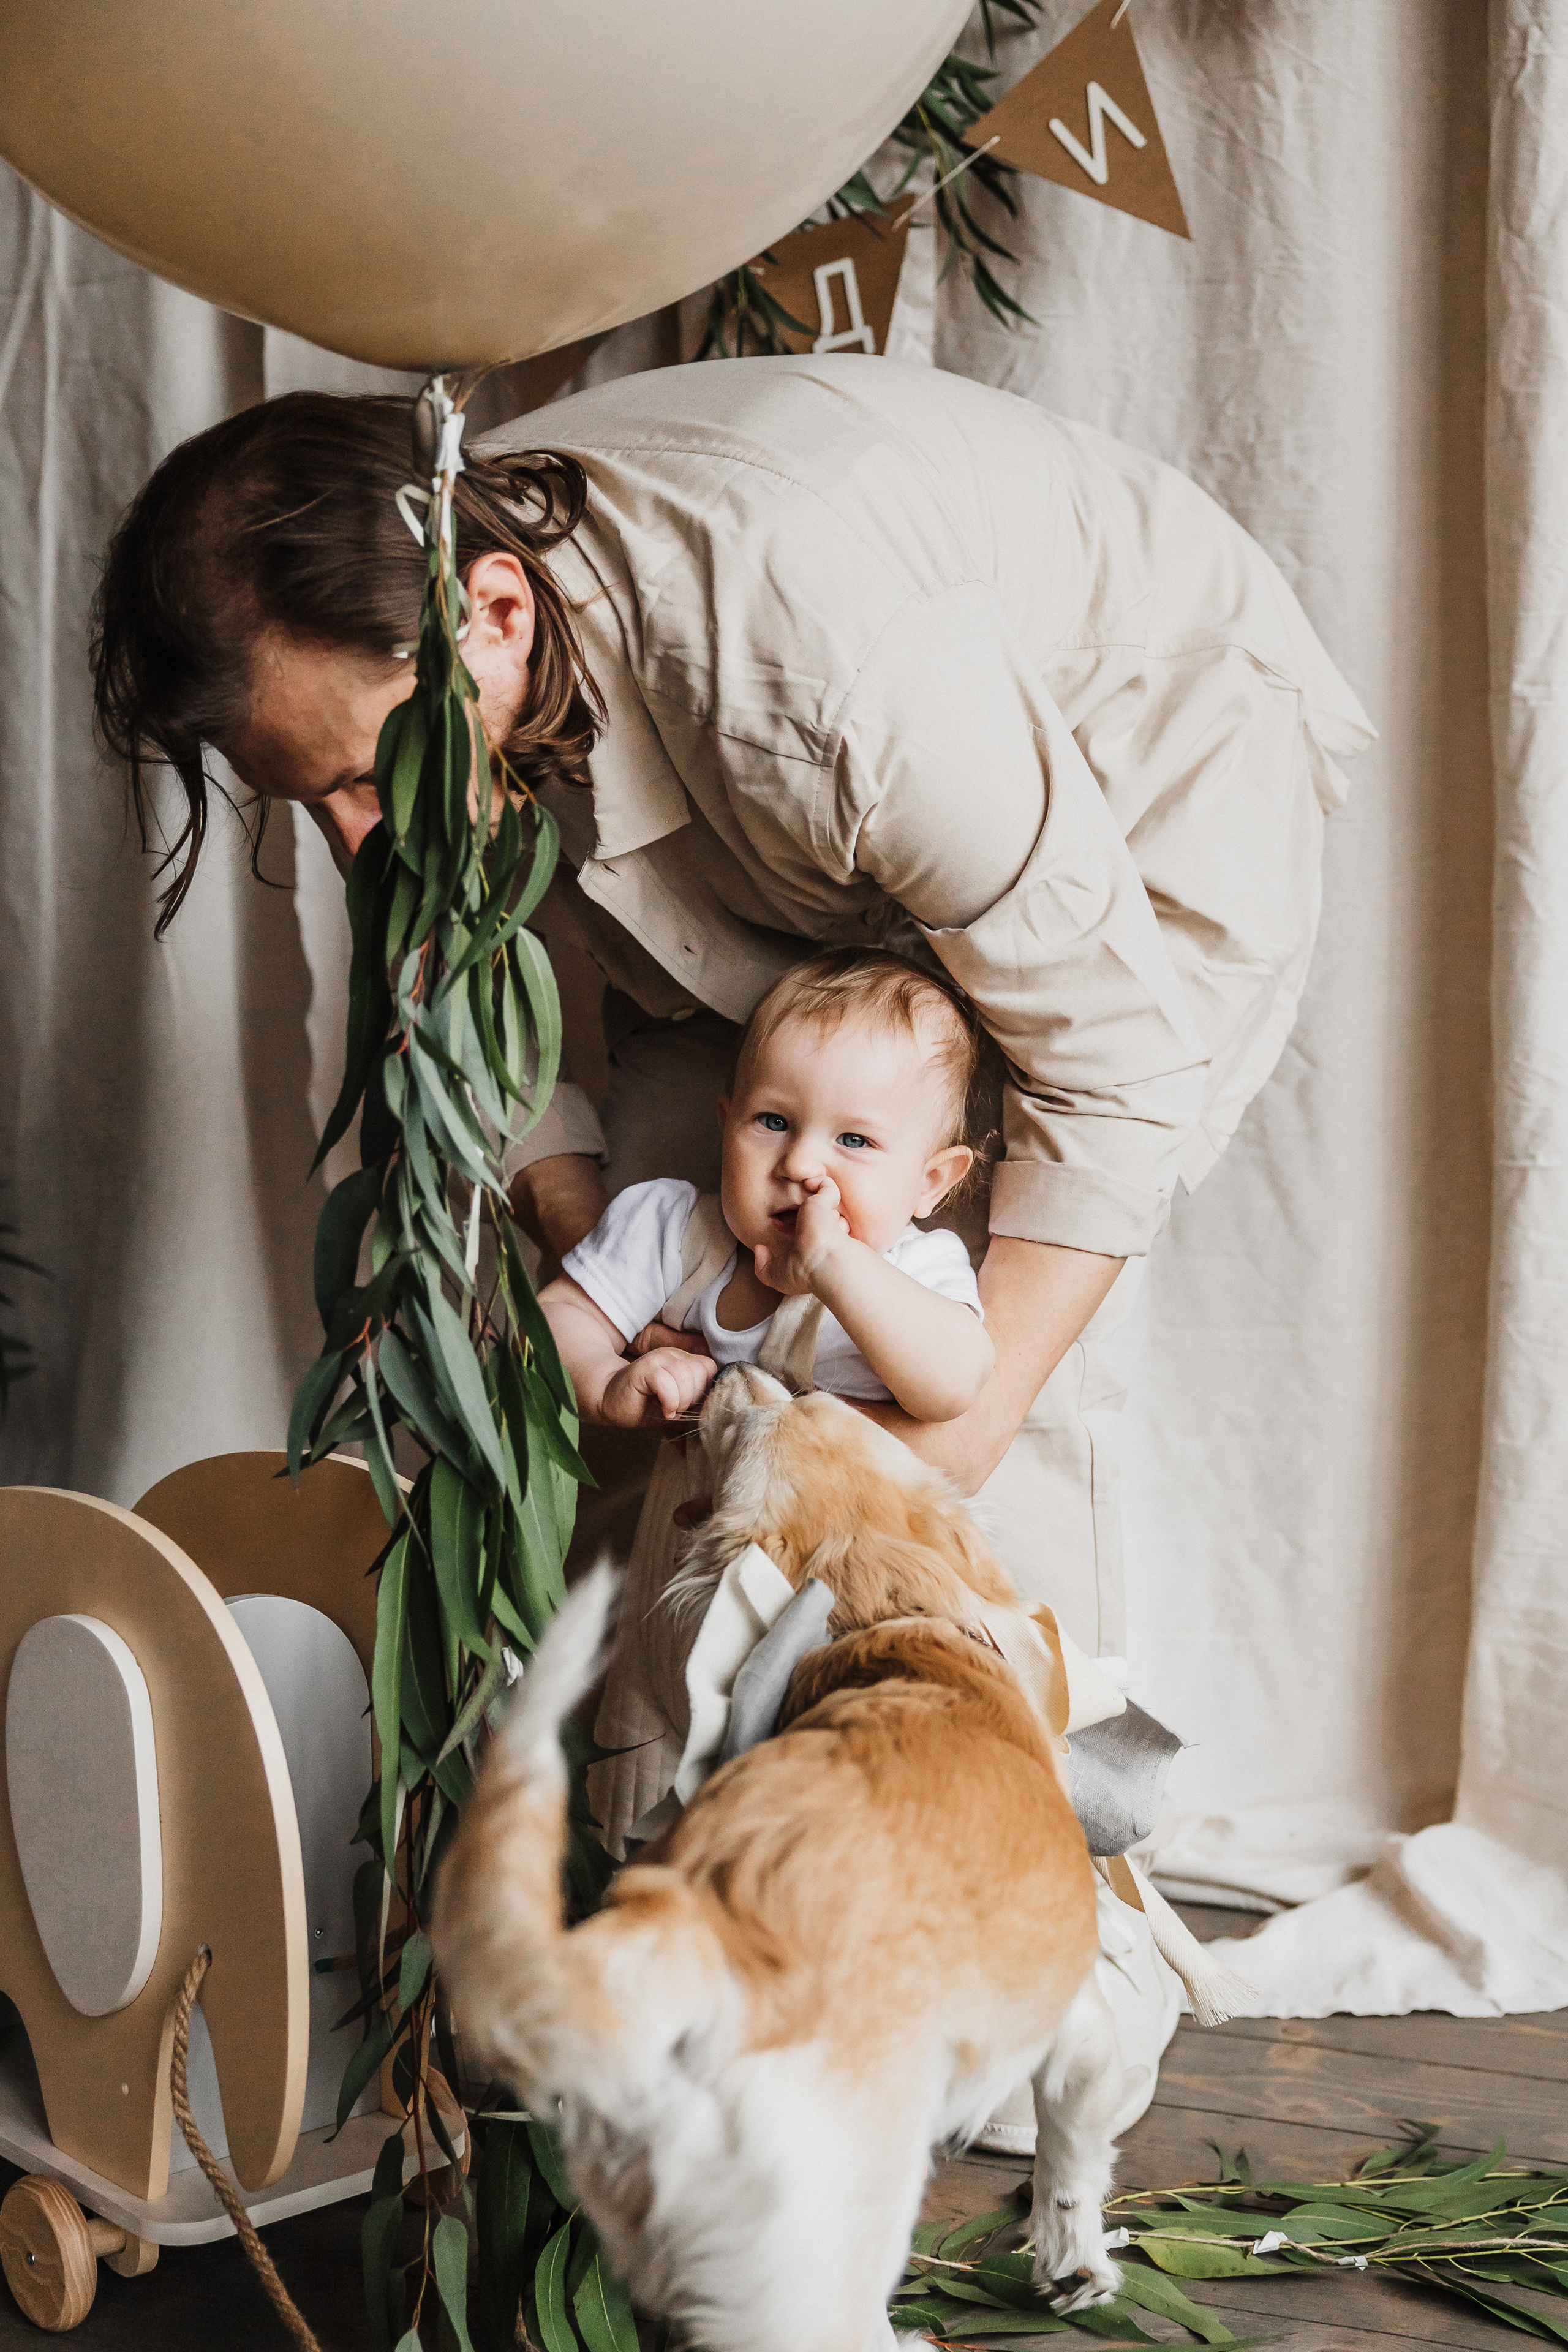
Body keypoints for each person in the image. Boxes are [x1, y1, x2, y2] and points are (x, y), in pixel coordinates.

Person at [91, 353, 1372, 2143]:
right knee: (690, 1355)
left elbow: (1112, 1057)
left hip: (1125, 815)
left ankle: (1044, 1957)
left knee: (944, 1409)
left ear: (496, 607)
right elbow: (487, 1010)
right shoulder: (443, 668)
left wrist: (952, 1411)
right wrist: (612, 1270)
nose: (354, 839)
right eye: (302, 799)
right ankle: (698, 1875)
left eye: (366, 776)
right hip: (781, 880)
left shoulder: (817, 666)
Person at [542, 948, 993, 1433]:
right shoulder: (671, 1230)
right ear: (727, 1127)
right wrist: (607, 1382)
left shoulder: (917, 1271)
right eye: (773, 1121)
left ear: (930, 1183)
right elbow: (557, 1317)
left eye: (854, 1140)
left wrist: (833, 1262)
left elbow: (954, 1385)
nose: (799, 1164)